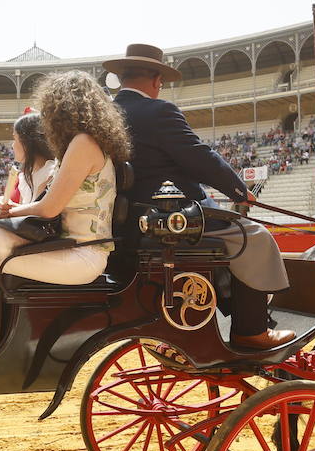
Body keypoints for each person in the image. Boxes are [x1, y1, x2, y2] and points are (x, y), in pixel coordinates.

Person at [0, 72, 130, 369]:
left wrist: (10, 211)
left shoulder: (82, 143)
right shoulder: (86, 142)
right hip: (69, 247)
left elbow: (50, 208)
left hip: (81, 254)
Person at [108, 44, 294, 349]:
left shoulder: (106, 114)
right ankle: (252, 330)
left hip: (125, 222)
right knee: (255, 237)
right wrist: (238, 191)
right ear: (157, 80)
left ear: (122, 77)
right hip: (169, 218)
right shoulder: (158, 111)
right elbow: (200, 158)